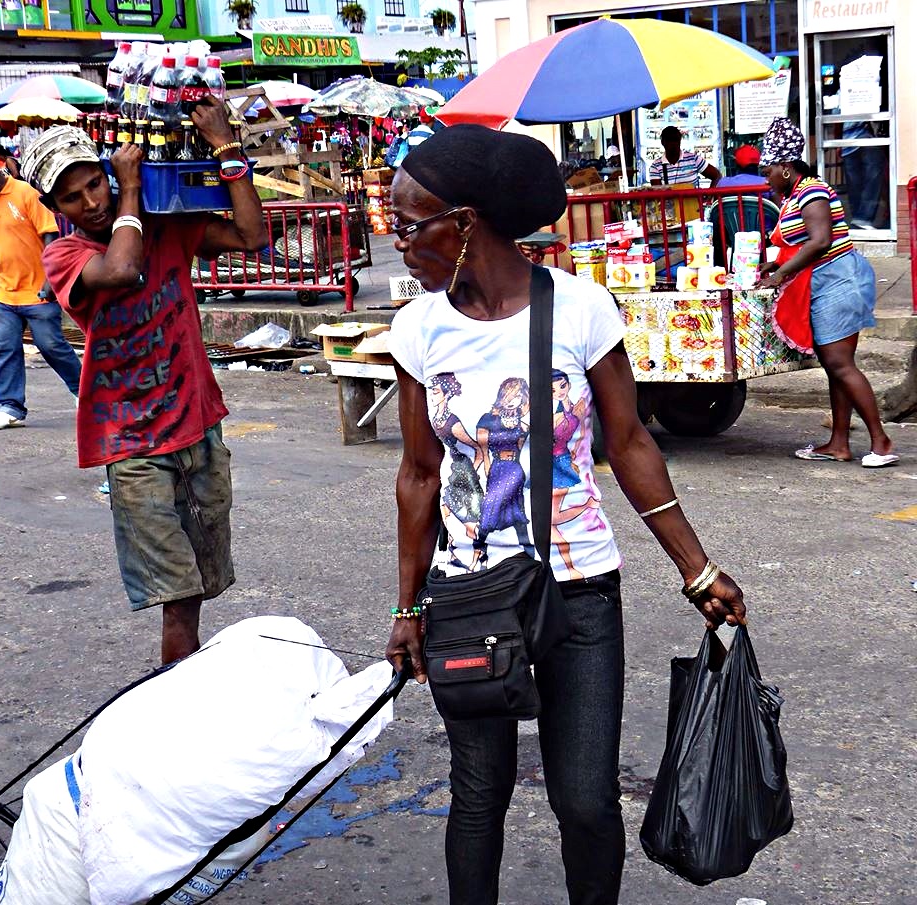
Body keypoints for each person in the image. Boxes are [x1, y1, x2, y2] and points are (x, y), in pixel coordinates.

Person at [383, 123, 746, 905]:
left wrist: (697, 565)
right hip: (469, 592)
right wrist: (409, 604)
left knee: (584, 800)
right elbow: (418, 474)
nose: (397, 236)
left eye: (411, 221)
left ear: (467, 221)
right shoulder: (417, 328)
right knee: (479, 795)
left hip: (578, 587)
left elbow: (630, 442)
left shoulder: (581, 309)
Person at [23, 101, 268, 664]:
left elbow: (252, 238)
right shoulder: (65, 255)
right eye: (72, 197)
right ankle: (176, 704)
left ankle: (187, 686)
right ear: (53, 208)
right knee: (175, 593)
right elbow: (123, 269)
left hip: (196, 425)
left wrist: (228, 149)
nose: (91, 203)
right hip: (132, 443)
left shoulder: (166, 227)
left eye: (96, 185)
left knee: (202, 582)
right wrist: (129, 191)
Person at [755, 117, 896, 467]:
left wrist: (781, 273)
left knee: (839, 363)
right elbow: (802, 242)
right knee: (835, 366)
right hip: (823, 281)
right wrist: (777, 265)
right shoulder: (793, 194)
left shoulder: (812, 190)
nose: (766, 176)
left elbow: (821, 241)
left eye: (769, 169)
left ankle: (881, 441)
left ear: (786, 167)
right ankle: (839, 443)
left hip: (838, 280)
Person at [0, 147, 82, 430]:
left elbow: (50, 234)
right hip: (4, 292)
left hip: (36, 289)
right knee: (3, 349)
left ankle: (83, 391)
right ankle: (10, 406)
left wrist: (50, 280)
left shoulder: (25, 193)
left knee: (51, 345)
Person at [648, 125, 721, 188]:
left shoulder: (694, 159)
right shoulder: (655, 167)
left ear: (680, 141)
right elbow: (657, 194)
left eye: (676, 140)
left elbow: (717, 176)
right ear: (663, 142)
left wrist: (710, 197)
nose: (673, 144)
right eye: (670, 140)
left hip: (693, 204)